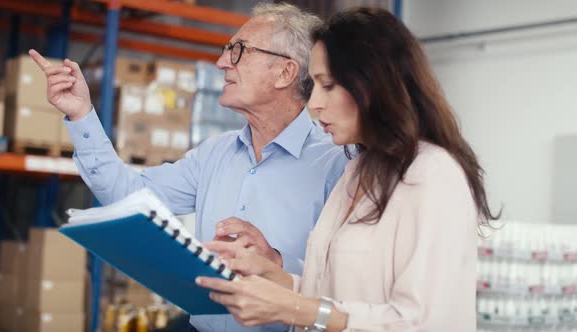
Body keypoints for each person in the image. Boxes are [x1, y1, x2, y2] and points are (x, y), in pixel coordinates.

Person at [29, 3, 348, 332]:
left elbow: (354, 286)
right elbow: (127, 195)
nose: (222, 62)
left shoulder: (337, 164)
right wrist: (82, 114)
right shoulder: (214, 154)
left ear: (285, 72)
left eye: (239, 51)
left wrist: (278, 266)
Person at [197, 7, 500, 332]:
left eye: (326, 86)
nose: (313, 104)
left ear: (372, 85)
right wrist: (275, 278)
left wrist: (295, 307)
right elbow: (331, 298)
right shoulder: (357, 171)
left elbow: (423, 322)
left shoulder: (432, 175)